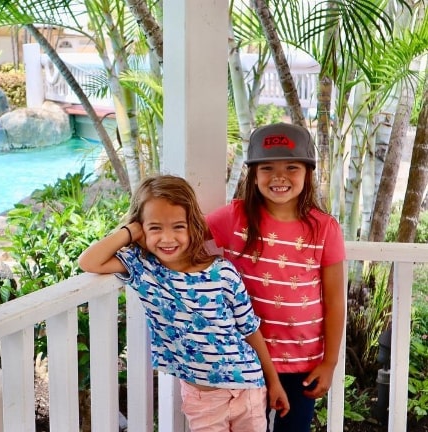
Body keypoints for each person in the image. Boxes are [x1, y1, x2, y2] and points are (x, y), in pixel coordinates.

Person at [79, 174, 290, 431]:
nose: (167, 238)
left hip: (248, 386)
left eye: (178, 226)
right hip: (203, 399)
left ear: (193, 226)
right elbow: (89, 261)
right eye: (155, 227)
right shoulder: (143, 268)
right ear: (140, 228)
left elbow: (250, 329)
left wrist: (273, 381)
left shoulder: (223, 272)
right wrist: (129, 231)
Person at [205, 123, 346, 432]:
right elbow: (182, 234)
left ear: (308, 173)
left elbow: (335, 301)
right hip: (242, 357)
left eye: (291, 167)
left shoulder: (325, 229)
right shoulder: (233, 217)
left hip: (302, 363)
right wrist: (135, 232)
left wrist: (330, 362)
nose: (279, 177)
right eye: (267, 167)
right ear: (253, 175)